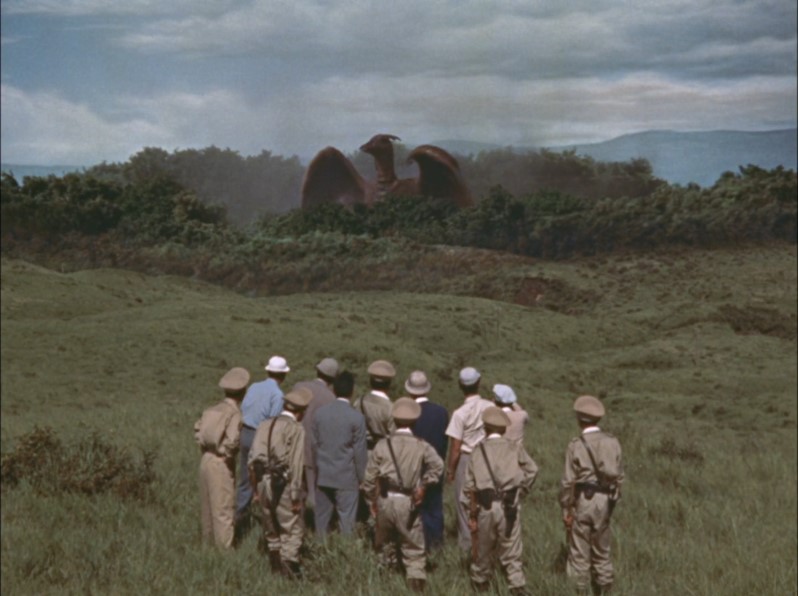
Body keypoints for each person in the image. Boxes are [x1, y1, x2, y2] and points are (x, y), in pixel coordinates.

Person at [361, 398, 444, 593]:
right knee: (414, 546)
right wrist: (424, 485)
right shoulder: (421, 445)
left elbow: (369, 478)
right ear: (414, 422)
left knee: (383, 543)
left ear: (394, 420)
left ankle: (383, 581)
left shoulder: (382, 445)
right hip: (409, 500)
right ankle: (415, 583)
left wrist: (371, 500)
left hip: (385, 499)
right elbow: (438, 466)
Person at [462, 407, 538, 595]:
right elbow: (533, 470)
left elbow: (469, 486)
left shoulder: (477, 451)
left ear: (485, 429)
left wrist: (471, 513)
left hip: (485, 507)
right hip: (510, 504)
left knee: (483, 548)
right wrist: (521, 490)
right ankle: (516, 585)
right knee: (512, 548)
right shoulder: (514, 447)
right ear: (504, 429)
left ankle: (480, 584)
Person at [559, 395, 624, 596]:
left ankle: (581, 591)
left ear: (580, 419)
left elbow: (568, 482)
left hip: (582, 501)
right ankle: (604, 590)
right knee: (602, 552)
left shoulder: (576, 445)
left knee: (579, 553)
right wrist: (613, 501)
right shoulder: (612, 442)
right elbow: (619, 476)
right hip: (605, 500)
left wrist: (566, 508)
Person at [248, 386, 314, 579]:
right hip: (282, 482)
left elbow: (251, 460)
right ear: (300, 411)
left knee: (270, 526)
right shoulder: (296, 429)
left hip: (261, 480)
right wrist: (295, 495)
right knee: (291, 527)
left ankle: (274, 567)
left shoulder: (264, 424)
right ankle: (290, 572)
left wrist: (255, 489)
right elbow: (296, 463)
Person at [194, 366, 250, 549]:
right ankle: (224, 552)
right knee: (223, 510)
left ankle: (207, 547)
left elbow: (198, 431)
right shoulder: (234, 414)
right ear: (243, 391)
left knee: (207, 510)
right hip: (221, 461)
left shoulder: (211, 409)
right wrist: (228, 454)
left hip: (205, 460)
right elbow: (232, 441)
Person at [311, 370, 368, 538]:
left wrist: (316, 470)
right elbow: (359, 452)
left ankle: (319, 554)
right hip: (346, 477)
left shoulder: (320, 414)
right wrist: (362, 477)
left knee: (320, 523)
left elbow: (314, 445)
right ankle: (344, 557)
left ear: (334, 390)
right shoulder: (357, 418)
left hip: (323, 475)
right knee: (347, 523)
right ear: (352, 391)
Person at [445, 367, 494, 553]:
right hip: (486, 456)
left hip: (466, 458)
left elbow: (455, 448)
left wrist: (451, 470)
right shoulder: (490, 407)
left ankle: (467, 545)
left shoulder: (459, 413)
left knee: (463, 502)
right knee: (485, 501)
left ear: (460, 386)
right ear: (478, 383)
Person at [405, 370, 449, 551]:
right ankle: (435, 545)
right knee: (434, 507)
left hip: (411, 467)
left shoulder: (406, 413)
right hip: (435, 464)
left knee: (412, 508)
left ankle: (413, 544)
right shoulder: (441, 412)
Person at [293, 357, 339, 510]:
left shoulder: (298, 387)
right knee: (313, 489)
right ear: (333, 379)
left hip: (293, 444)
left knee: (295, 489)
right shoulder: (331, 398)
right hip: (315, 448)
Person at [354, 360, 397, 451]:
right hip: (383, 455)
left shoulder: (359, 402)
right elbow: (394, 439)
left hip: (361, 452)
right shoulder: (391, 408)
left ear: (370, 381)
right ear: (389, 384)